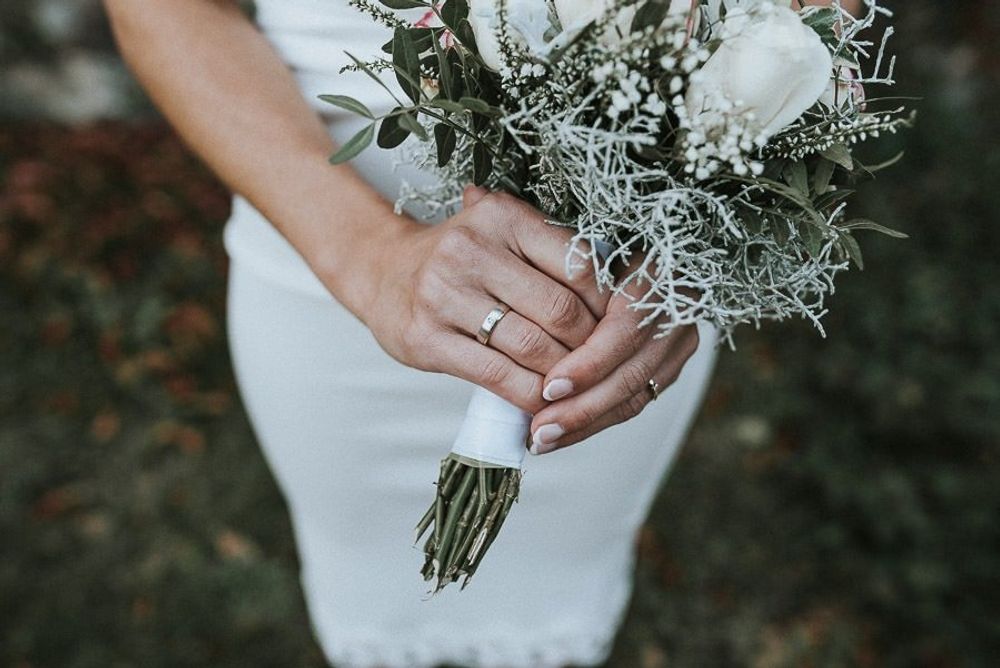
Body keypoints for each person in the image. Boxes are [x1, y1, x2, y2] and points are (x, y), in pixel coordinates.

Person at [103, 1, 732, 666]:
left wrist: (698, 237)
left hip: (625, 295)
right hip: (325, 260)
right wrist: (373, 258)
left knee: (558, 600)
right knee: (378, 601)